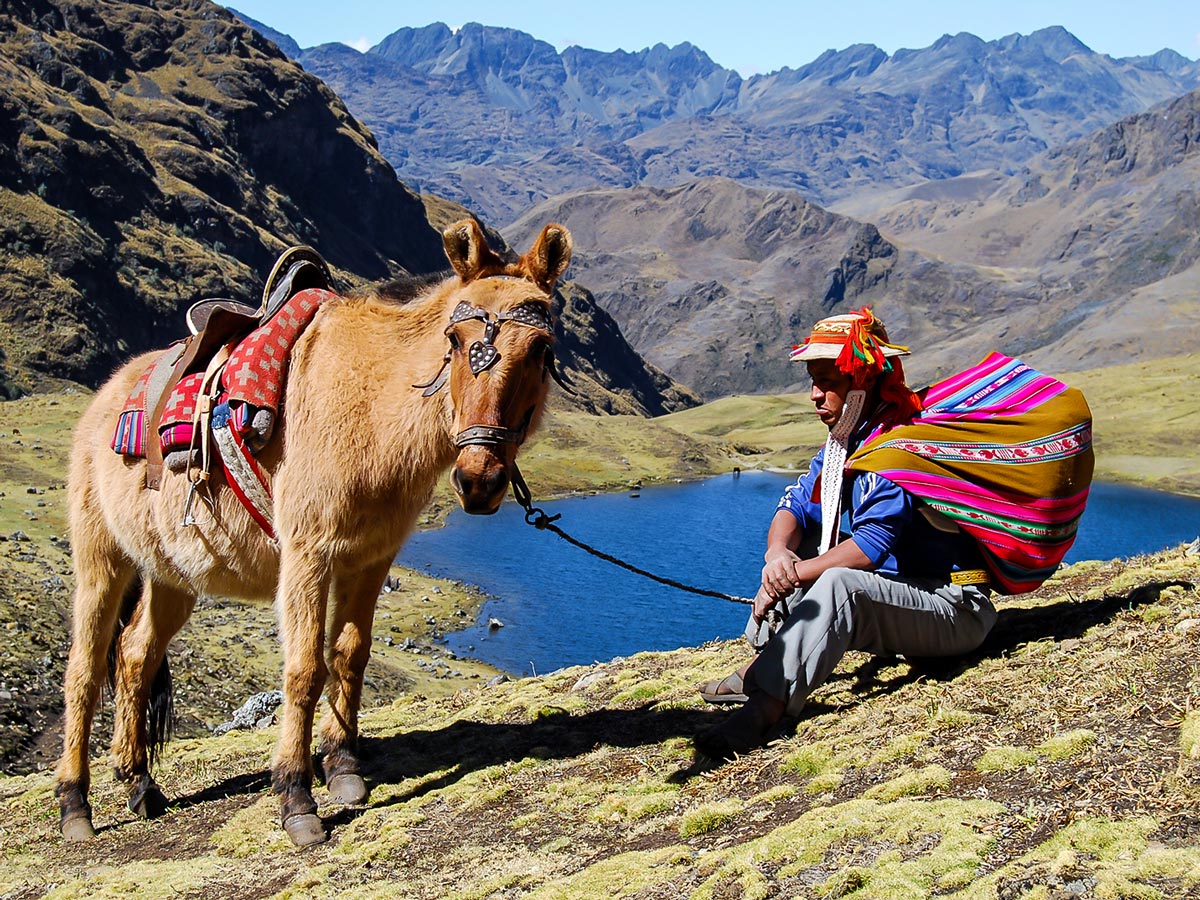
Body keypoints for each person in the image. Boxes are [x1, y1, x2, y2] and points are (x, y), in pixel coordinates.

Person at [694, 308, 998, 759]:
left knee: (834, 581)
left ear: (865, 380)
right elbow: (794, 506)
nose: (815, 396)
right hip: (906, 599)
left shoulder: (897, 448)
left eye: (829, 382)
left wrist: (793, 576)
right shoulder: (841, 447)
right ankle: (764, 666)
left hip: (954, 607)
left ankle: (765, 708)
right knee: (802, 562)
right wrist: (777, 556)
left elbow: (870, 548)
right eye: (812, 381)